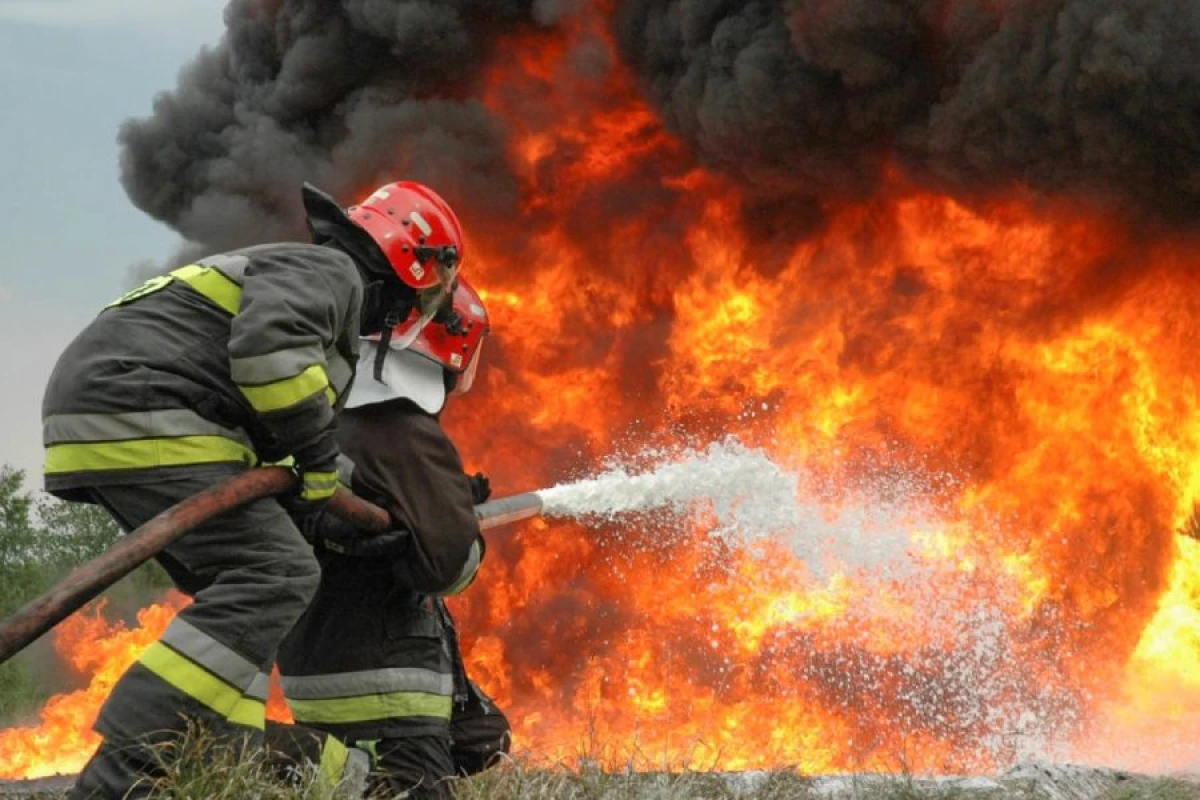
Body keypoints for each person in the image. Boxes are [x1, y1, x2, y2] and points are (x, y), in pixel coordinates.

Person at [42, 180, 466, 799]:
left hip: (113, 412)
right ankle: (123, 773)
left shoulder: (310, 285)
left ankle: (211, 757)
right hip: (147, 405)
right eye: (430, 290)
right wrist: (323, 472)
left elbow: (279, 435)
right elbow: (271, 360)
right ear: (411, 262)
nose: (417, 309)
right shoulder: (330, 272)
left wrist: (345, 504)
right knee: (279, 573)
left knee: (238, 589)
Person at [271, 275, 510, 799]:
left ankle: (338, 772)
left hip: (314, 670)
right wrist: (458, 524)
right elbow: (449, 566)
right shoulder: (402, 427)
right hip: (387, 686)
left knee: (483, 738)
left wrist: (440, 502)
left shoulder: (321, 417)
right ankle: (279, 760)